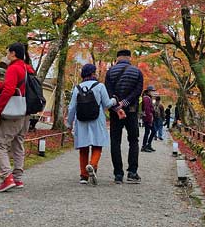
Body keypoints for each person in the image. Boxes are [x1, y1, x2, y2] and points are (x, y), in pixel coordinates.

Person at [0, 42, 33, 192]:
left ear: (13, 53)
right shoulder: (27, 69)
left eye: (8, 52)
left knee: (0, 144)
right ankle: (17, 178)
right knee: (18, 144)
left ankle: (7, 177)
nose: (6, 55)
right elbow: (6, 85)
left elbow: (8, 89)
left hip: (13, 112)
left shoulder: (14, 68)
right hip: (26, 111)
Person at [66, 64, 117, 185]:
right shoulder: (100, 86)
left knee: (83, 148)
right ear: (92, 73)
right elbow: (107, 104)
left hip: (81, 119)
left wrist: (69, 123)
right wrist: (114, 100)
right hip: (96, 119)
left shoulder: (77, 88)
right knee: (97, 145)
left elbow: (72, 107)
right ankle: (92, 166)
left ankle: (83, 176)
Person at [105, 49, 144, 184]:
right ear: (129, 57)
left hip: (115, 113)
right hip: (132, 111)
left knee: (115, 141)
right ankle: (132, 172)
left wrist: (117, 107)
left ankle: (118, 174)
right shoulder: (137, 72)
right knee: (134, 140)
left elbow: (108, 92)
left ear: (117, 58)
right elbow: (138, 91)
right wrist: (125, 103)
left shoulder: (110, 72)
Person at [141, 86, 156, 153]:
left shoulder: (148, 98)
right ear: (149, 91)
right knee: (148, 132)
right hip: (148, 118)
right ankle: (144, 146)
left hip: (148, 117)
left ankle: (148, 145)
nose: (153, 92)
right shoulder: (146, 98)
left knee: (152, 131)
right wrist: (150, 120)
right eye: (152, 91)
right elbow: (147, 110)